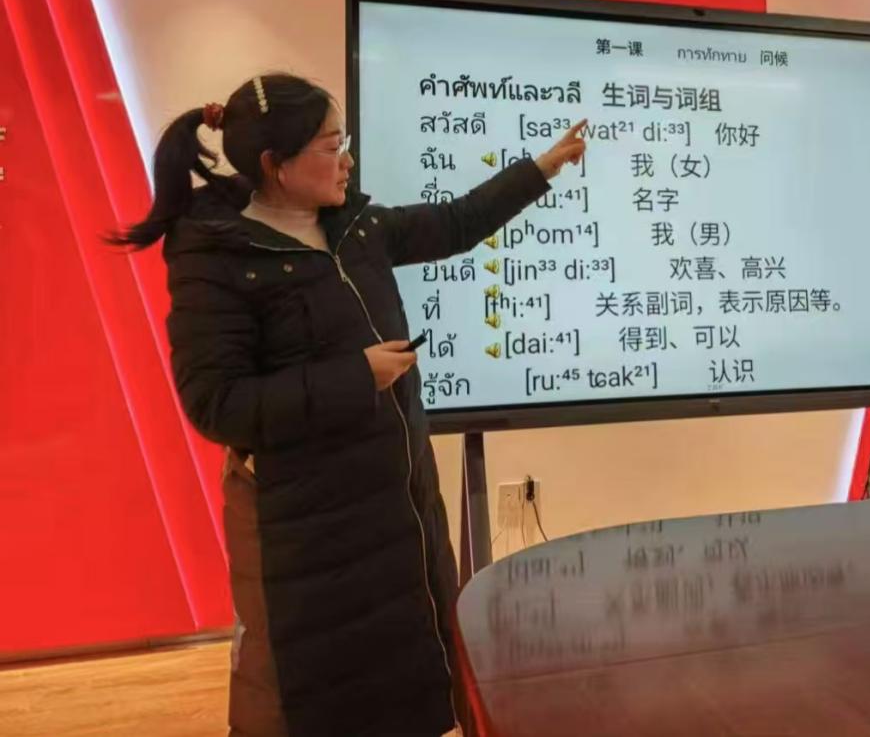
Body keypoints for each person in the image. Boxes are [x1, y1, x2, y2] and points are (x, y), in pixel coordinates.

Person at [110, 72, 586, 737]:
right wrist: (356, 375)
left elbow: (454, 223)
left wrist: (541, 168)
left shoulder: (354, 226)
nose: (348, 160)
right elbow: (217, 404)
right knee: (325, 700)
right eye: (332, 146)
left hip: (402, 511)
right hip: (310, 534)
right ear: (275, 165)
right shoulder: (217, 256)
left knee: (415, 684)